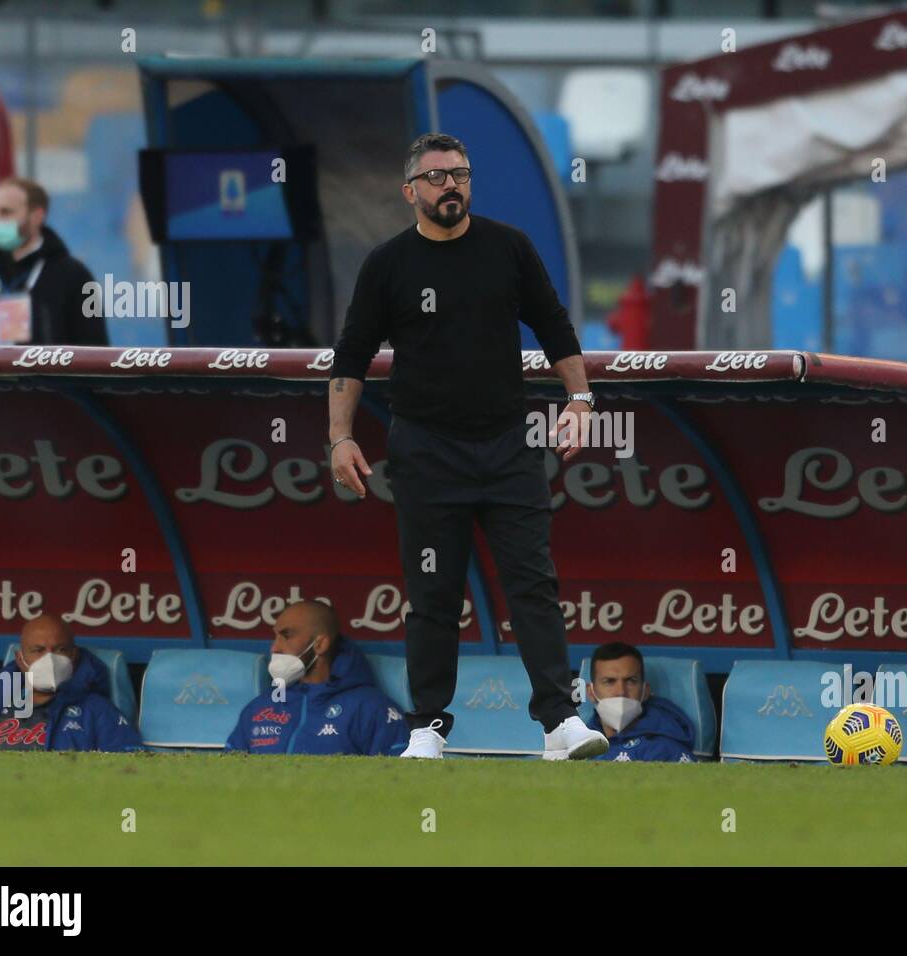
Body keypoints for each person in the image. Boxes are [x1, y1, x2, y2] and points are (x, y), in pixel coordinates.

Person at [328, 132, 606, 761]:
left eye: (460, 173)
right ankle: (426, 727)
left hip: (508, 444)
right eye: (435, 177)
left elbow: (554, 323)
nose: (450, 185)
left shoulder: (508, 247)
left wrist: (581, 400)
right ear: (410, 192)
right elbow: (352, 354)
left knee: (533, 583)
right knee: (432, 592)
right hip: (425, 449)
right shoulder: (388, 263)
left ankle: (559, 722)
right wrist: (341, 437)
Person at [0, 177, 107, 345]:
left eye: (6, 212)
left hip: (48, 376)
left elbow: (94, 350)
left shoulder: (74, 277)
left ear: (37, 216)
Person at [226, 600, 410, 756]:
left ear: (320, 645)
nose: (275, 648)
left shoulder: (371, 708)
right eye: (275, 637)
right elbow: (227, 773)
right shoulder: (260, 707)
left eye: (286, 636)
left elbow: (400, 780)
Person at [0, 614, 141, 752]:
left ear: (74, 655)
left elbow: (130, 768)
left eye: (60, 649)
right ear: (20, 659)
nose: (50, 659)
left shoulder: (97, 709)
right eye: (38, 650)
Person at [584, 642, 695, 763]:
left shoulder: (666, 750)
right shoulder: (577, 745)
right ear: (591, 692)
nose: (621, 691)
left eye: (631, 681)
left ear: (645, 691)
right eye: (609, 681)